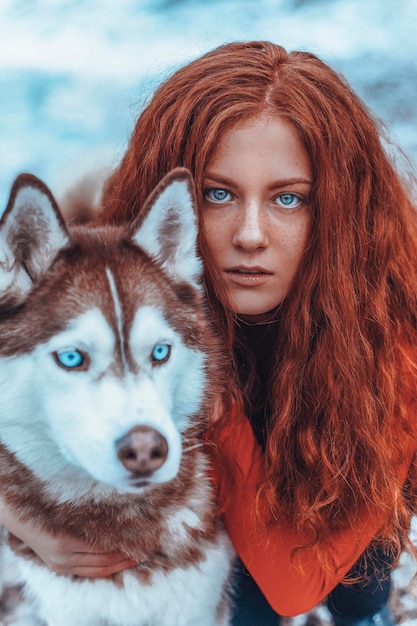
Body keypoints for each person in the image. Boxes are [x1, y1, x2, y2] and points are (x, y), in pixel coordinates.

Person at [1, 40, 417, 625]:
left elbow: (294, 588)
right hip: (220, 512)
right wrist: (14, 513)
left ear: (338, 210)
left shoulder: (393, 343)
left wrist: (218, 412)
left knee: (357, 580)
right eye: (217, 194)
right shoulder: (109, 270)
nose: (250, 234)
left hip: (336, 483)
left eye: (288, 198)